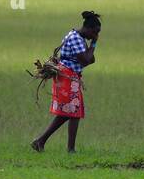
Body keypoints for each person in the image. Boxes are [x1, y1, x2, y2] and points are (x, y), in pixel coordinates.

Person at [32, 11, 101, 154]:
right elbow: (86, 60)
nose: (96, 35)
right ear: (88, 28)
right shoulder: (76, 38)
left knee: (70, 112)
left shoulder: (77, 36)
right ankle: (69, 149)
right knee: (73, 112)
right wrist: (93, 44)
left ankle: (41, 141)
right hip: (68, 77)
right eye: (95, 32)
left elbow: (89, 59)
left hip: (69, 76)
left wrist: (88, 55)